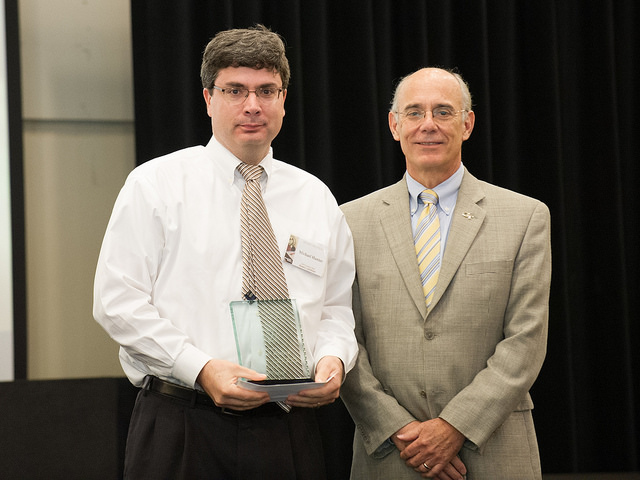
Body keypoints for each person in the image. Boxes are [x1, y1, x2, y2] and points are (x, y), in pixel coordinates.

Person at [93, 25, 357, 480]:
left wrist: (334, 359)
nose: (252, 105)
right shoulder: (156, 184)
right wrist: (202, 369)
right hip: (183, 424)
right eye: (235, 90)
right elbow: (118, 302)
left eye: (266, 90)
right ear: (208, 98)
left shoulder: (315, 196)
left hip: (289, 430)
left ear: (284, 99)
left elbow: (336, 309)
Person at [340, 67, 551, 479]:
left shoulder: (525, 217)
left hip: (493, 450)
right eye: (415, 113)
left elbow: (526, 340)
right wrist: (399, 429)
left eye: (443, 112)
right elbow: (341, 336)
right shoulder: (348, 220)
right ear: (394, 125)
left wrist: (454, 427)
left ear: (467, 123)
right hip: (389, 453)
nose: (428, 125)